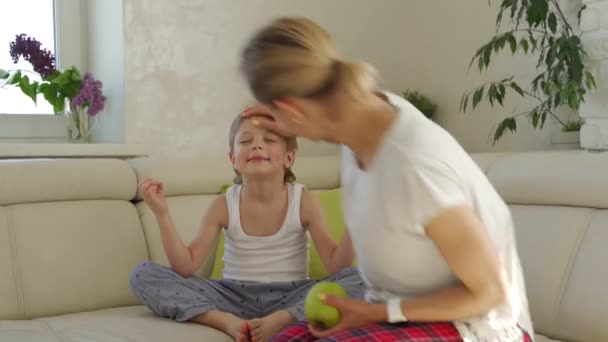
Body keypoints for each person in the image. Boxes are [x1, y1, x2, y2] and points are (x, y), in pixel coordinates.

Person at [238, 16, 534, 342]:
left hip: (480, 327)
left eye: (275, 113)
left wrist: (377, 314)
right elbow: (321, 118)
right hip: (404, 314)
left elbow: (489, 293)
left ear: (291, 107)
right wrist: (290, 122)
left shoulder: (415, 164)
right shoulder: (360, 115)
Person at [129, 113, 365, 342]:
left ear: (289, 158)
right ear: (233, 158)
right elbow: (185, 266)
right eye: (245, 141)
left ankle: (283, 319)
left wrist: (357, 218)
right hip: (231, 296)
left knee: (360, 278)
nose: (257, 146)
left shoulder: (303, 201)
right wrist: (162, 213)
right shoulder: (223, 205)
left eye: (269, 140)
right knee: (142, 274)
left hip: (292, 297)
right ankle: (226, 322)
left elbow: (337, 265)